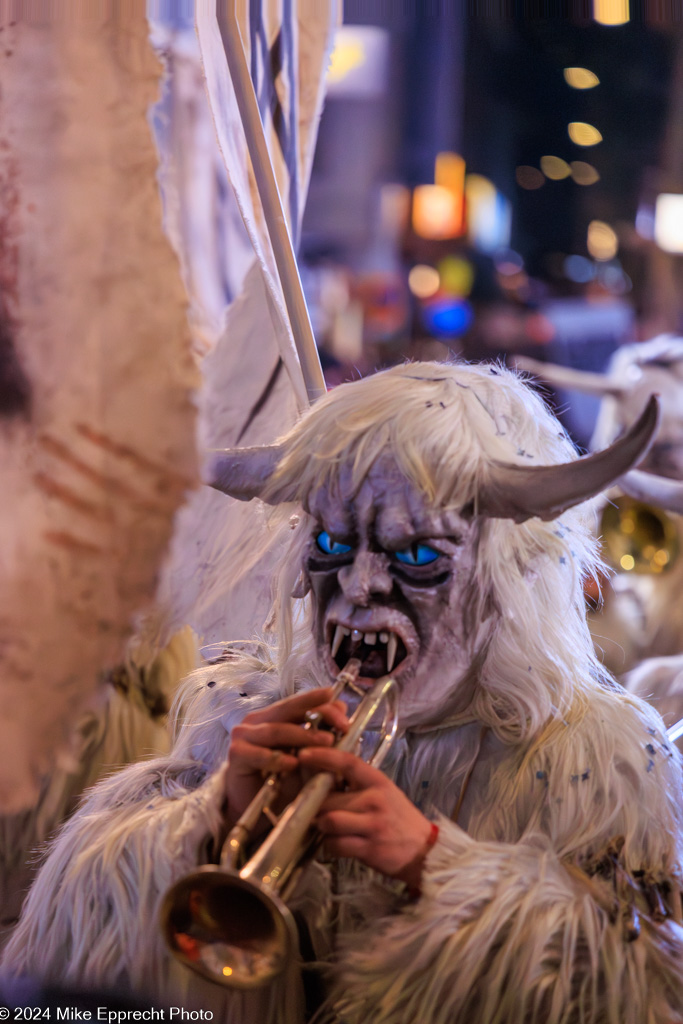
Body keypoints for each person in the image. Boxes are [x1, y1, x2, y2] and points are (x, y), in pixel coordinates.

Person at [3, 361, 682, 1024]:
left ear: (503, 576)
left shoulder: (602, 759)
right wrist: (206, 829)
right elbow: (67, 990)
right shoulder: (235, 716)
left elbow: (643, 983)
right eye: (329, 543)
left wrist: (435, 865)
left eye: (416, 556)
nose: (359, 589)